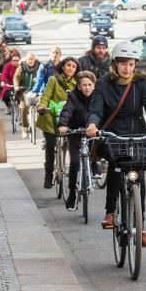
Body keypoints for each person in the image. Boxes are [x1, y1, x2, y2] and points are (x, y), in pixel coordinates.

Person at [85, 42, 146, 245]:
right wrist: (92, 124)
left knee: (138, 177)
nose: (127, 68)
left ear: (135, 64)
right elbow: (97, 109)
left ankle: (140, 227)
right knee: (116, 168)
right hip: (113, 134)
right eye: (123, 63)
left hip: (138, 135)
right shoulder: (104, 83)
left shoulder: (141, 83)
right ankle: (110, 212)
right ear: (115, 64)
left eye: (131, 64)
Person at [56, 70, 97, 211]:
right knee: (74, 162)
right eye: (84, 85)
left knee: (99, 151)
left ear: (94, 86)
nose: (87, 87)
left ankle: (94, 164)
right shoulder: (73, 97)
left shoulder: (98, 97)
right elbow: (67, 110)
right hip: (75, 132)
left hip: (92, 133)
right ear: (79, 86)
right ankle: (72, 194)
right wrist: (62, 125)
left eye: (89, 84)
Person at [37, 57, 78, 189]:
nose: (71, 68)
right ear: (62, 67)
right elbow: (46, 96)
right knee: (50, 145)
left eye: (73, 66)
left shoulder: (77, 82)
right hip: (51, 118)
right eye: (68, 65)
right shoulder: (53, 80)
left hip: (68, 119)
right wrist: (42, 106)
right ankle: (48, 175)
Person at [13, 53, 41, 134]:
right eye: (29, 59)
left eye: (32, 59)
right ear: (26, 60)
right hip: (24, 90)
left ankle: (38, 122)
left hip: (36, 91)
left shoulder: (40, 67)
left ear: (35, 60)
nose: (30, 61)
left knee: (41, 106)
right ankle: (24, 126)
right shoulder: (21, 68)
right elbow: (16, 78)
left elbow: (43, 77)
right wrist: (16, 86)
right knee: (24, 107)